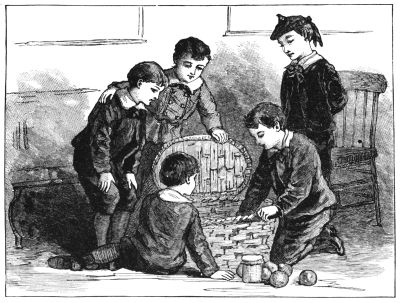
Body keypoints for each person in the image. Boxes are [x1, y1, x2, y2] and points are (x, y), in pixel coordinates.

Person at [48, 152, 235, 281]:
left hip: (141, 257)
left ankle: (83, 260)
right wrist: (211, 271)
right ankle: (106, 264)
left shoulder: (150, 199)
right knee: (127, 249)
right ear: (187, 180)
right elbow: (197, 243)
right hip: (169, 265)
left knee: (121, 247)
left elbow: (139, 230)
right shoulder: (189, 210)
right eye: (194, 178)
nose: (194, 182)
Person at [98, 37, 228, 199]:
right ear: (176, 60)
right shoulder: (163, 78)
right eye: (187, 65)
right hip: (146, 132)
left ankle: (157, 206)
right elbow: (134, 83)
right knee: (138, 173)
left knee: (164, 175)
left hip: (171, 137)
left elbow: (209, 110)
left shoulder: (199, 87)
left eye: (199, 67)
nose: (192, 72)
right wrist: (115, 87)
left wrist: (215, 128)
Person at [71, 62, 167, 249]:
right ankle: (100, 248)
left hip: (117, 162)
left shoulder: (139, 111)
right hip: (91, 160)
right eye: (154, 90)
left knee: (130, 195)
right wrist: (104, 171)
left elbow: (138, 144)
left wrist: (130, 170)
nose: (156, 96)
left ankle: (113, 249)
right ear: (139, 83)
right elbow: (99, 141)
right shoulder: (109, 105)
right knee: (110, 196)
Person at [235, 102, 345, 266]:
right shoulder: (270, 152)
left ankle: (325, 238)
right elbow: (259, 184)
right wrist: (246, 210)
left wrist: (278, 208)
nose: (257, 142)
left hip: (314, 210)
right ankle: (317, 235)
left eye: (260, 134)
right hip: (291, 213)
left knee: (282, 260)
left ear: (277, 126)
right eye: (254, 137)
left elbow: (299, 189)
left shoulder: (303, 148)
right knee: (275, 252)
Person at [270, 14, 347, 183]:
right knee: (295, 174)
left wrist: (321, 115)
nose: (286, 48)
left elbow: (339, 100)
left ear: (306, 36)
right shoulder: (289, 73)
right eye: (281, 45)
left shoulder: (323, 68)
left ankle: (322, 206)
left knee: (318, 175)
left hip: (318, 135)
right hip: (294, 134)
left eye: (290, 41)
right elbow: (286, 105)